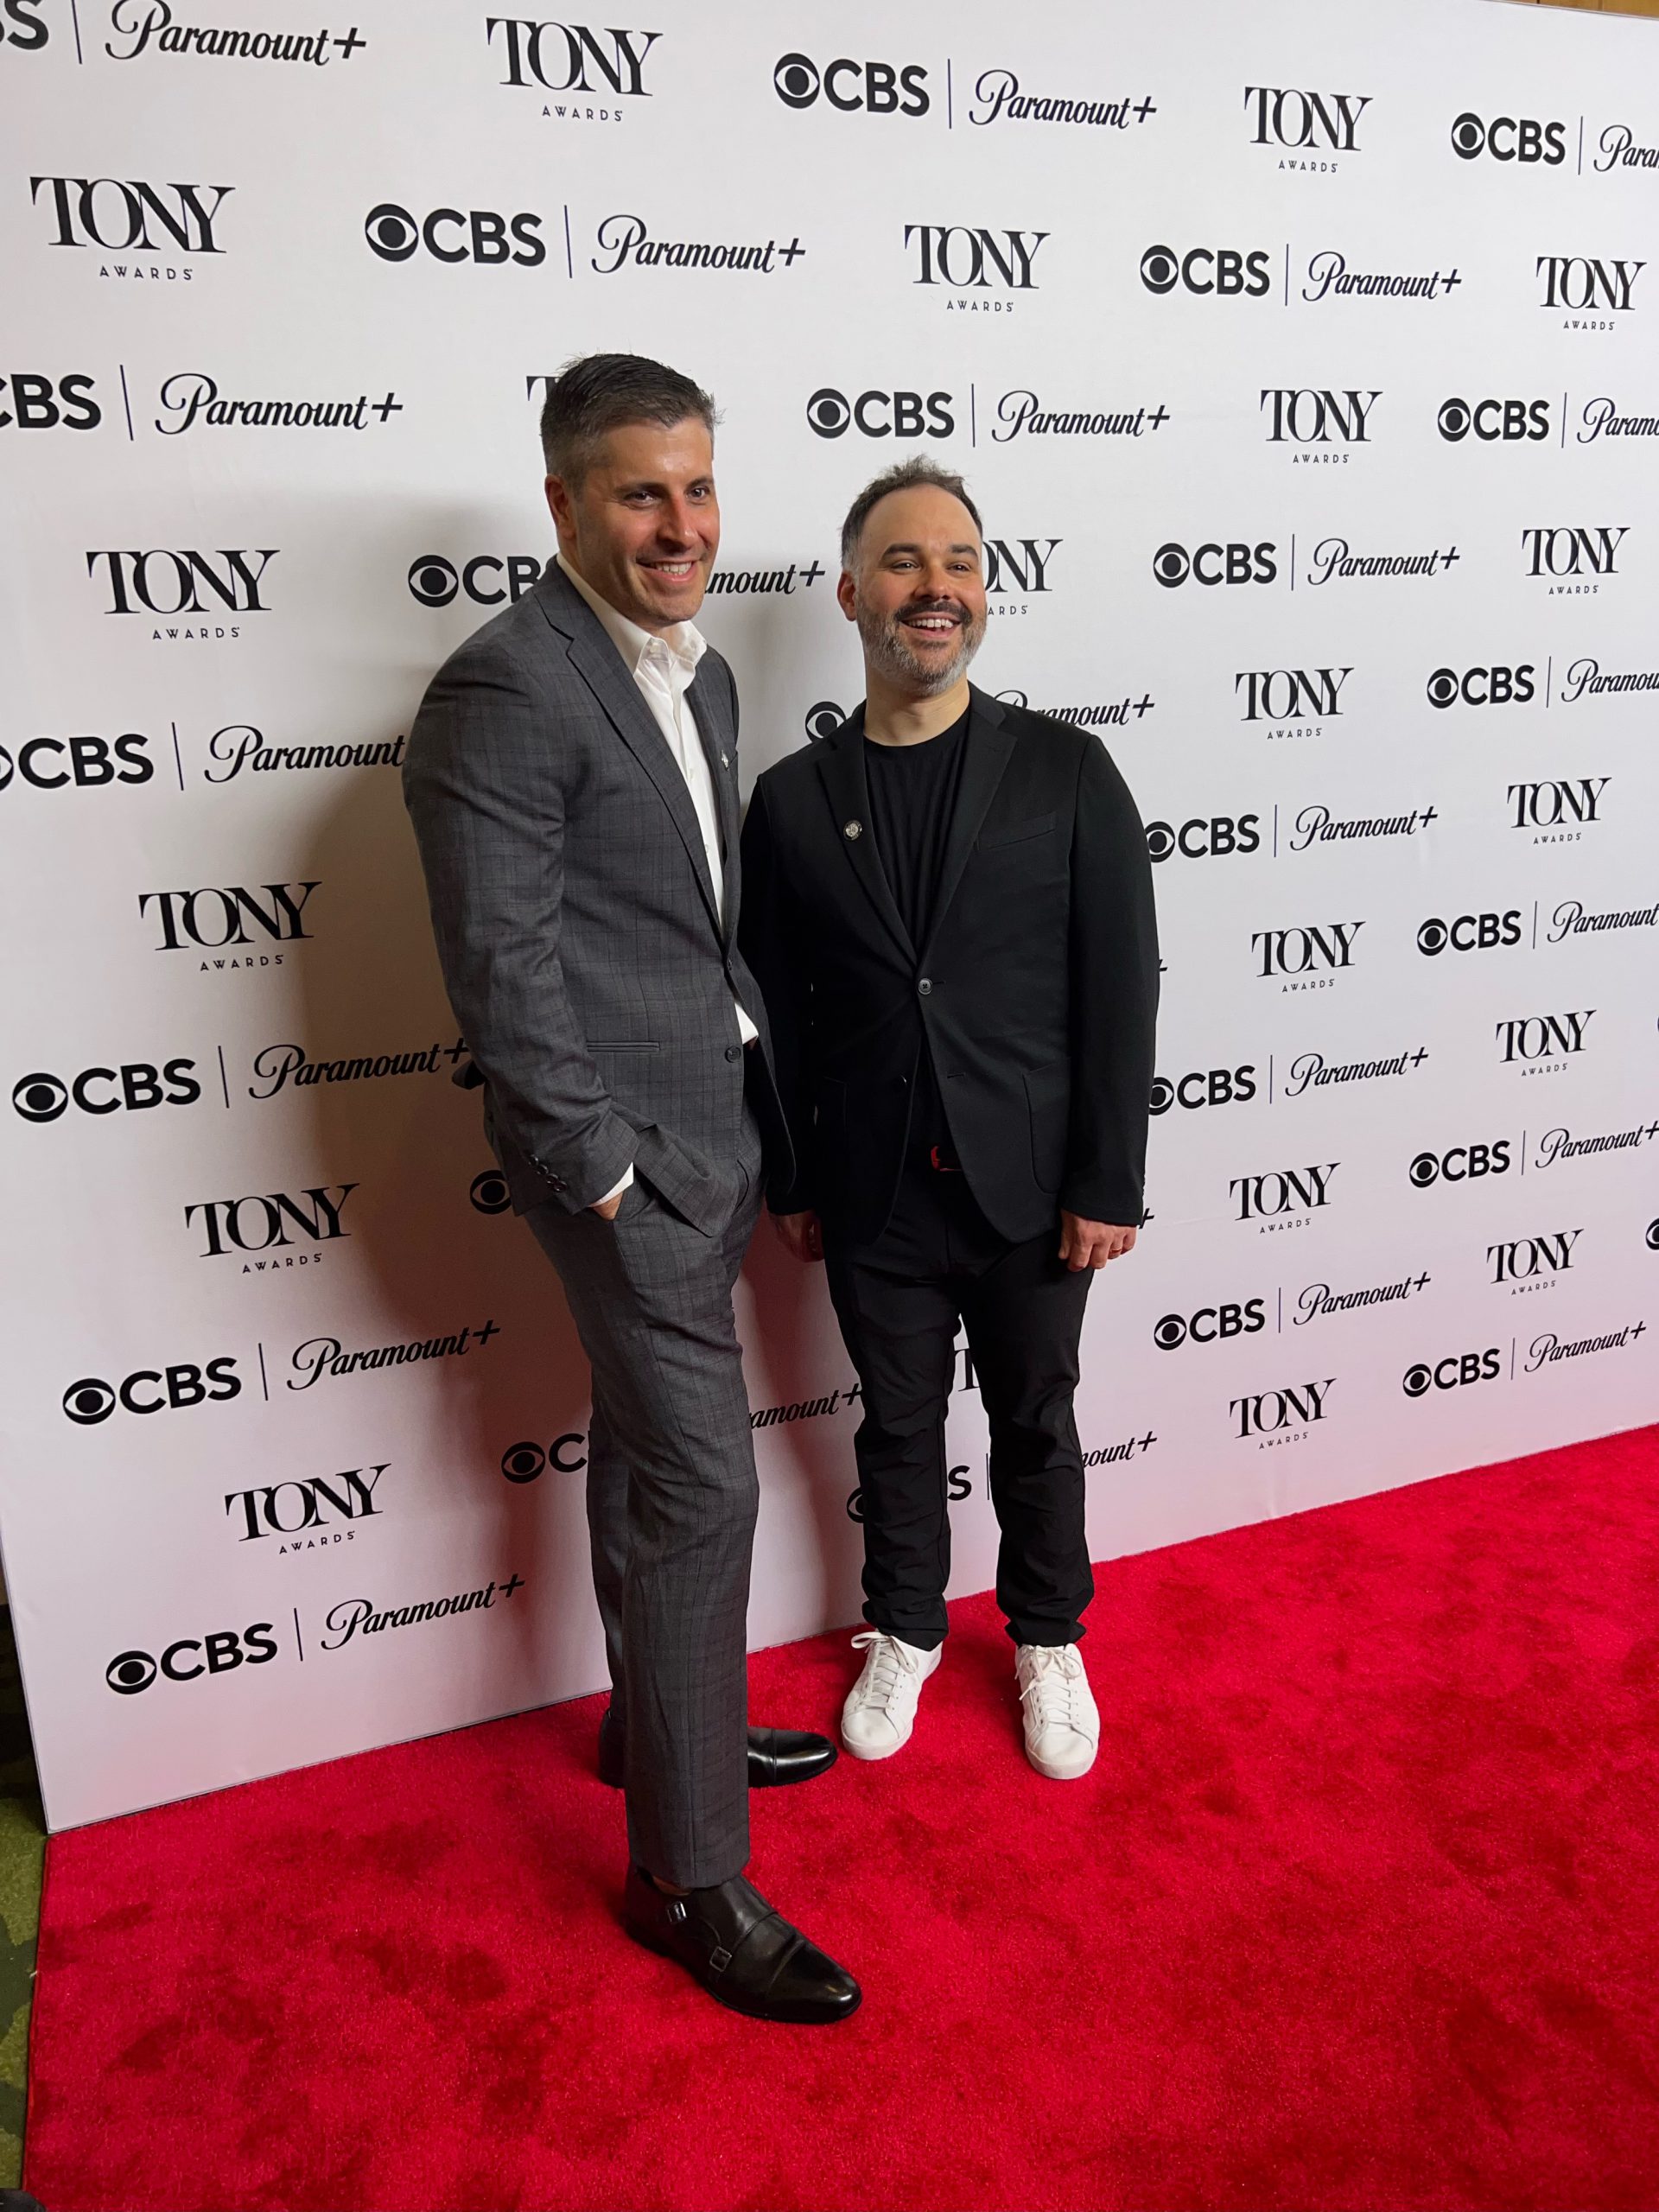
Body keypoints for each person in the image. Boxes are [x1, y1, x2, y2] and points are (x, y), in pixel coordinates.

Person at [403, 353, 858, 2024]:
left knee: (658, 1475)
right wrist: (601, 1173)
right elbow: (502, 968)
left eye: (700, 488)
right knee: (702, 1490)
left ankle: (650, 1717)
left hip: (714, 1127)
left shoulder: (705, 672)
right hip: (626, 1169)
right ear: (563, 504)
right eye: (641, 494)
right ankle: (689, 1875)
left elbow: (684, 922)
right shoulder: (503, 689)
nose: (682, 525)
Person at [740, 457, 1159, 1782]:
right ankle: (908, 1626)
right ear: (854, 591)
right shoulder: (793, 800)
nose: (938, 588)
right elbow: (776, 1013)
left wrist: (1110, 1179)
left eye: (962, 563)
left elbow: (1117, 989)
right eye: (908, 563)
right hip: (872, 1192)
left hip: (1033, 1186)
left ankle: (1047, 1635)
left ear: (985, 594)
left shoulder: (1067, 768)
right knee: (896, 1423)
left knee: (1037, 1416)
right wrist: (792, 1176)